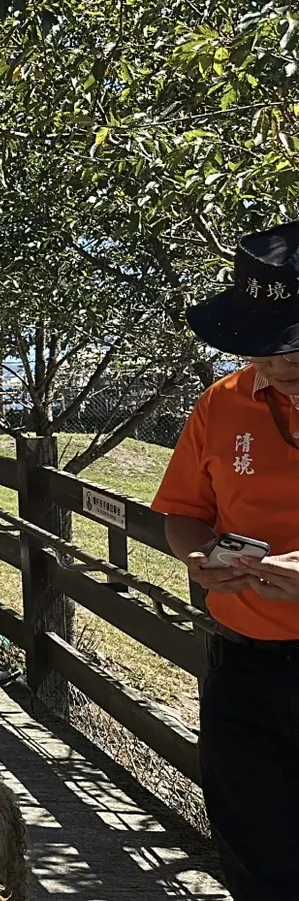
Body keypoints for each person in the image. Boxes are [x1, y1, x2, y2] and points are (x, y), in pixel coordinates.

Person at [151, 222, 299, 901]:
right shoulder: (222, 403)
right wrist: (199, 558)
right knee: (252, 854)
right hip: (240, 662)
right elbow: (184, 510)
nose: (280, 363)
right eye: (262, 346)